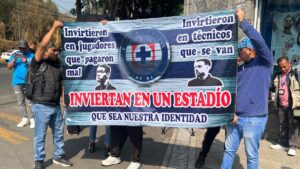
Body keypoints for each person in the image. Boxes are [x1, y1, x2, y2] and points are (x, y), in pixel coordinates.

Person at [221, 9, 273, 169]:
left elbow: (260, 42)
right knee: (229, 151)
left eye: (240, 50)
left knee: (251, 156)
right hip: (235, 117)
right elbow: (230, 90)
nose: (237, 53)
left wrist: (243, 22)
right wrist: (232, 111)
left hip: (254, 119)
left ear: (250, 50)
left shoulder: (265, 62)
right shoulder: (239, 68)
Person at [31, 21, 72, 169]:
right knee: (40, 136)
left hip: (55, 106)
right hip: (40, 105)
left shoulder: (57, 65)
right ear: (46, 52)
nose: (56, 52)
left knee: (59, 134)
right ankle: (39, 161)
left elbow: (60, 83)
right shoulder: (38, 62)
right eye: (53, 50)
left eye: (57, 50)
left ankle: (59, 156)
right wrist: (54, 28)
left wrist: (62, 99)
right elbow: (42, 45)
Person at [270, 56, 299, 156]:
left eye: (284, 66)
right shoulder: (277, 75)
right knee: (282, 124)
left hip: (293, 105)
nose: (282, 69)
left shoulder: (296, 74)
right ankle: (283, 143)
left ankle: (292, 146)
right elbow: (272, 88)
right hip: (281, 104)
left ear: (289, 63)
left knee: (293, 125)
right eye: (280, 67)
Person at [7, 40, 35, 128]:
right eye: (20, 48)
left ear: (27, 47)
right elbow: (9, 67)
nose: (22, 50)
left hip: (28, 81)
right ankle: (24, 119)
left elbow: (35, 68)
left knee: (29, 102)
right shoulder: (14, 55)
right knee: (20, 102)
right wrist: (14, 60)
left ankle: (32, 119)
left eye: (24, 48)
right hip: (17, 82)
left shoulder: (32, 55)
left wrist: (26, 62)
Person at [88, 64, 113, 156]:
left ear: (108, 74)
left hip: (108, 105)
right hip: (96, 103)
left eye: (101, 72)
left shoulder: (112, 89)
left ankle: (107, 145)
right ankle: (92, 142)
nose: (98, 74)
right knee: (93, 122)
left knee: (108, 124)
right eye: (97, 72)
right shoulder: (96, 88)